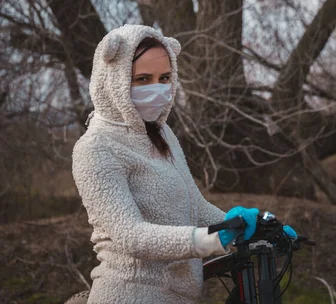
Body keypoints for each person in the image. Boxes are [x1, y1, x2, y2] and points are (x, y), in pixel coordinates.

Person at [68, 25, 294, 303]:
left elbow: (194, 208)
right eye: (142, 79)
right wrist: (210, 240)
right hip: (129, 293)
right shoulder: (95, 148)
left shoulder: (162, 134)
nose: (157, 88)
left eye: (164, 77)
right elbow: (131, 236)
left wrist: (246, 227)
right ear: (113, 78)